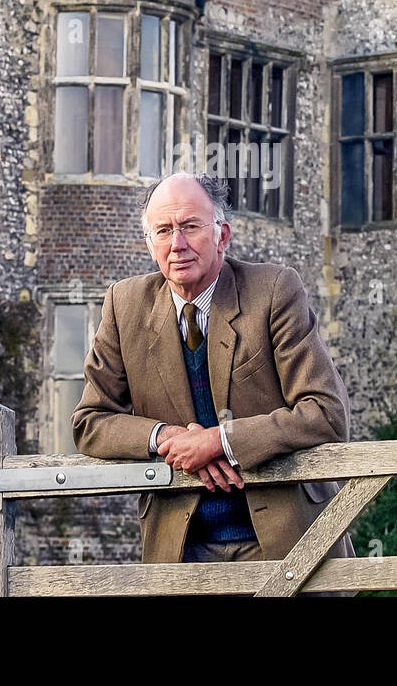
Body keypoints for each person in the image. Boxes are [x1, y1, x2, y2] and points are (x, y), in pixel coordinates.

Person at [71, 171, 355, 566]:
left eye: (190, 226)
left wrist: (220, 441)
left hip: (287, 544)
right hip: (181, 547)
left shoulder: (273, 291)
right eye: (164, 231)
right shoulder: (124, 304)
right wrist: (165, 436)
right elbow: (90, 421)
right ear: (149, 244)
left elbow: (326, 413)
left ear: (222, 235)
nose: (178, 244)